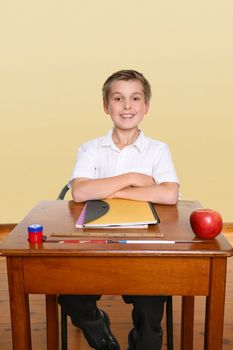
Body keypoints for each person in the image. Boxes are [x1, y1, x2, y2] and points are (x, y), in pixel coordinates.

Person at [58, 69, 179, 350]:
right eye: (118, 98)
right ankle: (99, 330)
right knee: (70, 293)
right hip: (93, 246)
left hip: (145, 247)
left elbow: (169, 194)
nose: (127, 106)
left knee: (151, 309)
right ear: (106, 106)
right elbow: (81, 192)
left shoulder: (158, 150)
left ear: (146, 106)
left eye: (135, 98)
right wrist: (134, 179)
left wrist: (111, 190)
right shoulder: (90, 149)